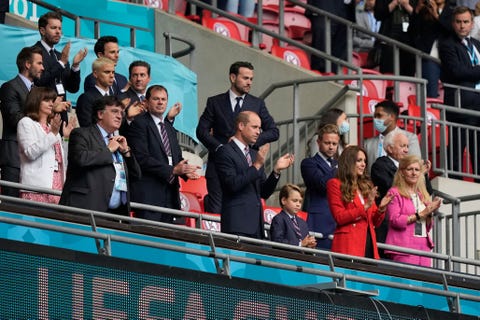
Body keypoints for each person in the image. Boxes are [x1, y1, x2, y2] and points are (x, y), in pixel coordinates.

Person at [196, 61, 279, 214]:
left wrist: (250, 142)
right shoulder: (215, 102)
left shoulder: (257, 103)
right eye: (245, 78)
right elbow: (201, 131)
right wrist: (220, 147)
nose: (249, 82)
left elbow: (274, 131)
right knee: (217, 214)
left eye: (251, 79)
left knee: (244, 214)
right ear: (233, 77)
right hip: (219, 167)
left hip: (247, 165)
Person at [126, 85, 200, 223]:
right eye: (156, 99)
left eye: (163, 99)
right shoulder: (139, 124)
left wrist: (185, 171)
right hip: (149, 197)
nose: (160, 102)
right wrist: (172, 170)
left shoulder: (169, 128)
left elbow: (177, 157)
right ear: (147, 103)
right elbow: (141, 159)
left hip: (170, 196)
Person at [215, 111, 293, 239]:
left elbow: (263, 192)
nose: (258, 132)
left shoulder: (253, 154)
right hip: (236, 225)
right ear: (241, 126)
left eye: (260, 128)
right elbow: (232, 185)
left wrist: (276, 171)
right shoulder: (225, 151)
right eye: (254, 127)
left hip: (257, 227)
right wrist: (256, 166)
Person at [59, 96, 141, 215]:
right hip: (84, 210)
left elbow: (136, 176)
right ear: (100, 114)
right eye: (114, 111)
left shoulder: (118, 141)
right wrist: (108, 150)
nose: (119, 116)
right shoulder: (81, 134)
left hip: (114, 214)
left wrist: (126, 151)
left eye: (121, 113)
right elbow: (81, 159)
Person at [326, 145, 393, 259]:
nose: (363, 164)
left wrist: (381, 209)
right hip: (348, 245)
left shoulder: (366, 186)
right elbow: (339, 217)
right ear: (349, 162)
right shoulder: (335, 184)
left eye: (364, 161)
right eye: (359, 161)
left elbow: (375, 222)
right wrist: (365, 206)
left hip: (368, 244)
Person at [438, 6, 480, 180]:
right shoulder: (447, 44)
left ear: (472, 24)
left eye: (466, 22)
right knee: (457, 152)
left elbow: (467, 71)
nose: (462, 26)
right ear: (453, 23)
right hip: (460, 106)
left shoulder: (477, 44)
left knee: (478, 154)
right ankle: (455, 190)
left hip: (478, 107)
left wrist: (473, 70)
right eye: (458, 22)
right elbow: (457, 72)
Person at [17, 87, 76, 204]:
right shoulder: (26, 122)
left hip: (57, 187)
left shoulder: (52, 127)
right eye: (47, 100)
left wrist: (66, 137)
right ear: (36, 101)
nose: (51, 104)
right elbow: (30, 152)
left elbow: (62, 159)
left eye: (52, 100)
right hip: (36, 188)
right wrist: (53, 134)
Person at [0, 46, 45, 197]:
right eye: (39, 63)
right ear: (27, 64)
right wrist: (42, 115)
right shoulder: (9, 87)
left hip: (34, 160)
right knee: (11, 205)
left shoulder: (38, 91)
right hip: (14, 157)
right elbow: (15, 118)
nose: (42, 68)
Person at [385, 155, 442, 267]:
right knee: (407, 283)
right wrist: (422, 214)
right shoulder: (394, 192)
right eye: (410, 169)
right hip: (403, 246)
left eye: (417, 170)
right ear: (401, 172)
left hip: (423, 246)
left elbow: (427, 226)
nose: (414, 173)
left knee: (423, 283)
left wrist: (430, 213)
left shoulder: (421, 195)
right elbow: (394, 220)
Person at [32, 11, 88, 124]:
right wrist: (61, 63)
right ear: (42, 31)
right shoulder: (34, 53)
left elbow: (73, 88)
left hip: (61, 117)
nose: (58, 32)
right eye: (53, 28)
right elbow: (40, 80)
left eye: (59, 28)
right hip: (42, 116)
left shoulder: (60, 56)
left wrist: (75, 66)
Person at [301, 124, 340, 249]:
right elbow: (322, 185)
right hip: (318, 219)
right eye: (327, 143)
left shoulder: (339, 165)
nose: (331, 147)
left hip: (337, 219)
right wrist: (338, 167)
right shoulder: (309, 163)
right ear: (318, 142)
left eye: (334, 144)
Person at [371, 130, 409, 257]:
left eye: (407, 146)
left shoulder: (409, 168)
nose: (406, 150)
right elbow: (391, 188)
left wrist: (424, 174)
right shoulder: (380, 165)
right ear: (390, 148)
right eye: (402, 146)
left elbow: (426, 191)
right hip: (386, 222)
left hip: (404, 222)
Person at [409, 0, 453, 98]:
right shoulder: (424, 11)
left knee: (450, 93)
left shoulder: (451, 11)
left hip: (448, 57)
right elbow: (412, 32)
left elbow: (451, 30)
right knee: (431, 93)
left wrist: (436, 15)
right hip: (428, 56)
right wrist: (416, 11)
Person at [364, 100, 421, 172]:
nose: (375, 119)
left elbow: (416, 165)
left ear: (392, 117)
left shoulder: (410, 138)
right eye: (374, 116)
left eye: (379, 116)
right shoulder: (368, 143)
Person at [306, 0, 356, 73]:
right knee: (321, 56)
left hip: (347, 11)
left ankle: (335, 79)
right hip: (325, 7)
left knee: (339, 58)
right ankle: (318, 80)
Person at [374, 0, 416, 76]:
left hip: (410, 41)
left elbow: (421, 17)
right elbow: (378, 15)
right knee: (389, 73)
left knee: (408, 75)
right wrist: (394, 3)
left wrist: (407, 6)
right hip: (389, 39)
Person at [270, 184, 317, 248]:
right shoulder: (278, 219)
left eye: (300, 202)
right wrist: (300, 244)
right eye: (295, 201)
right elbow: (277, 242)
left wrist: (309, 245)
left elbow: (305, 244)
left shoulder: (303, 223)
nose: (298, 204)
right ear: (283, 200)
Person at [76, 57, 116, 127]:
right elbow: (87, 126)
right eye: (107, 72)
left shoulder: (114, 97)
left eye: (113, 72)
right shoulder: (86, 98)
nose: (112, 75)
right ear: (95, 74)